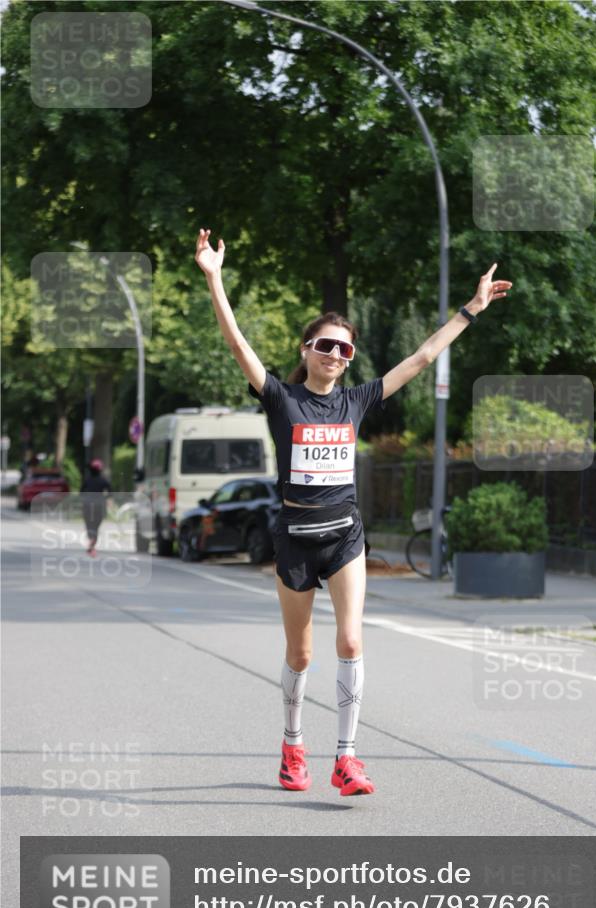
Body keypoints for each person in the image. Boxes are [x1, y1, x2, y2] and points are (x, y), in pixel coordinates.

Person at [195, 228, 511, 796]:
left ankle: (346, 758)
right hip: (295, 537)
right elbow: (239, 345)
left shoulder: (357, 399)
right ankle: (293, 744)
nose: (335, 356)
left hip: (344, 537)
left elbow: (422, 357)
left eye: (345, 349)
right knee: (301, 652)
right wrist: (215, 278)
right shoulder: (281, 398)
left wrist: (471, 309)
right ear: (306, 350)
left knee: (350, 641)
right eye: (326, 346)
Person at [80, 459, 111, 557]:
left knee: (89, 525)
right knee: (96, 526)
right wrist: (105, 498)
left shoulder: (87, 480)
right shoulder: (103, 480)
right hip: (99, 506)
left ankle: (91, 541)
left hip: (88, 505)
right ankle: (92, 543)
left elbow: (81, 492)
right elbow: (110, 492)